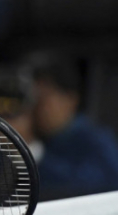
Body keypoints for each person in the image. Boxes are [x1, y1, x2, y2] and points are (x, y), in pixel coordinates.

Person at [31, 56, 118, 201]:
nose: (38, 107)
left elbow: (102, 185)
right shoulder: (33, 135)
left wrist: (33, 150)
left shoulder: (94, 139)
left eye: (44, 97)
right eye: (33, 98)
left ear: (71, 99)